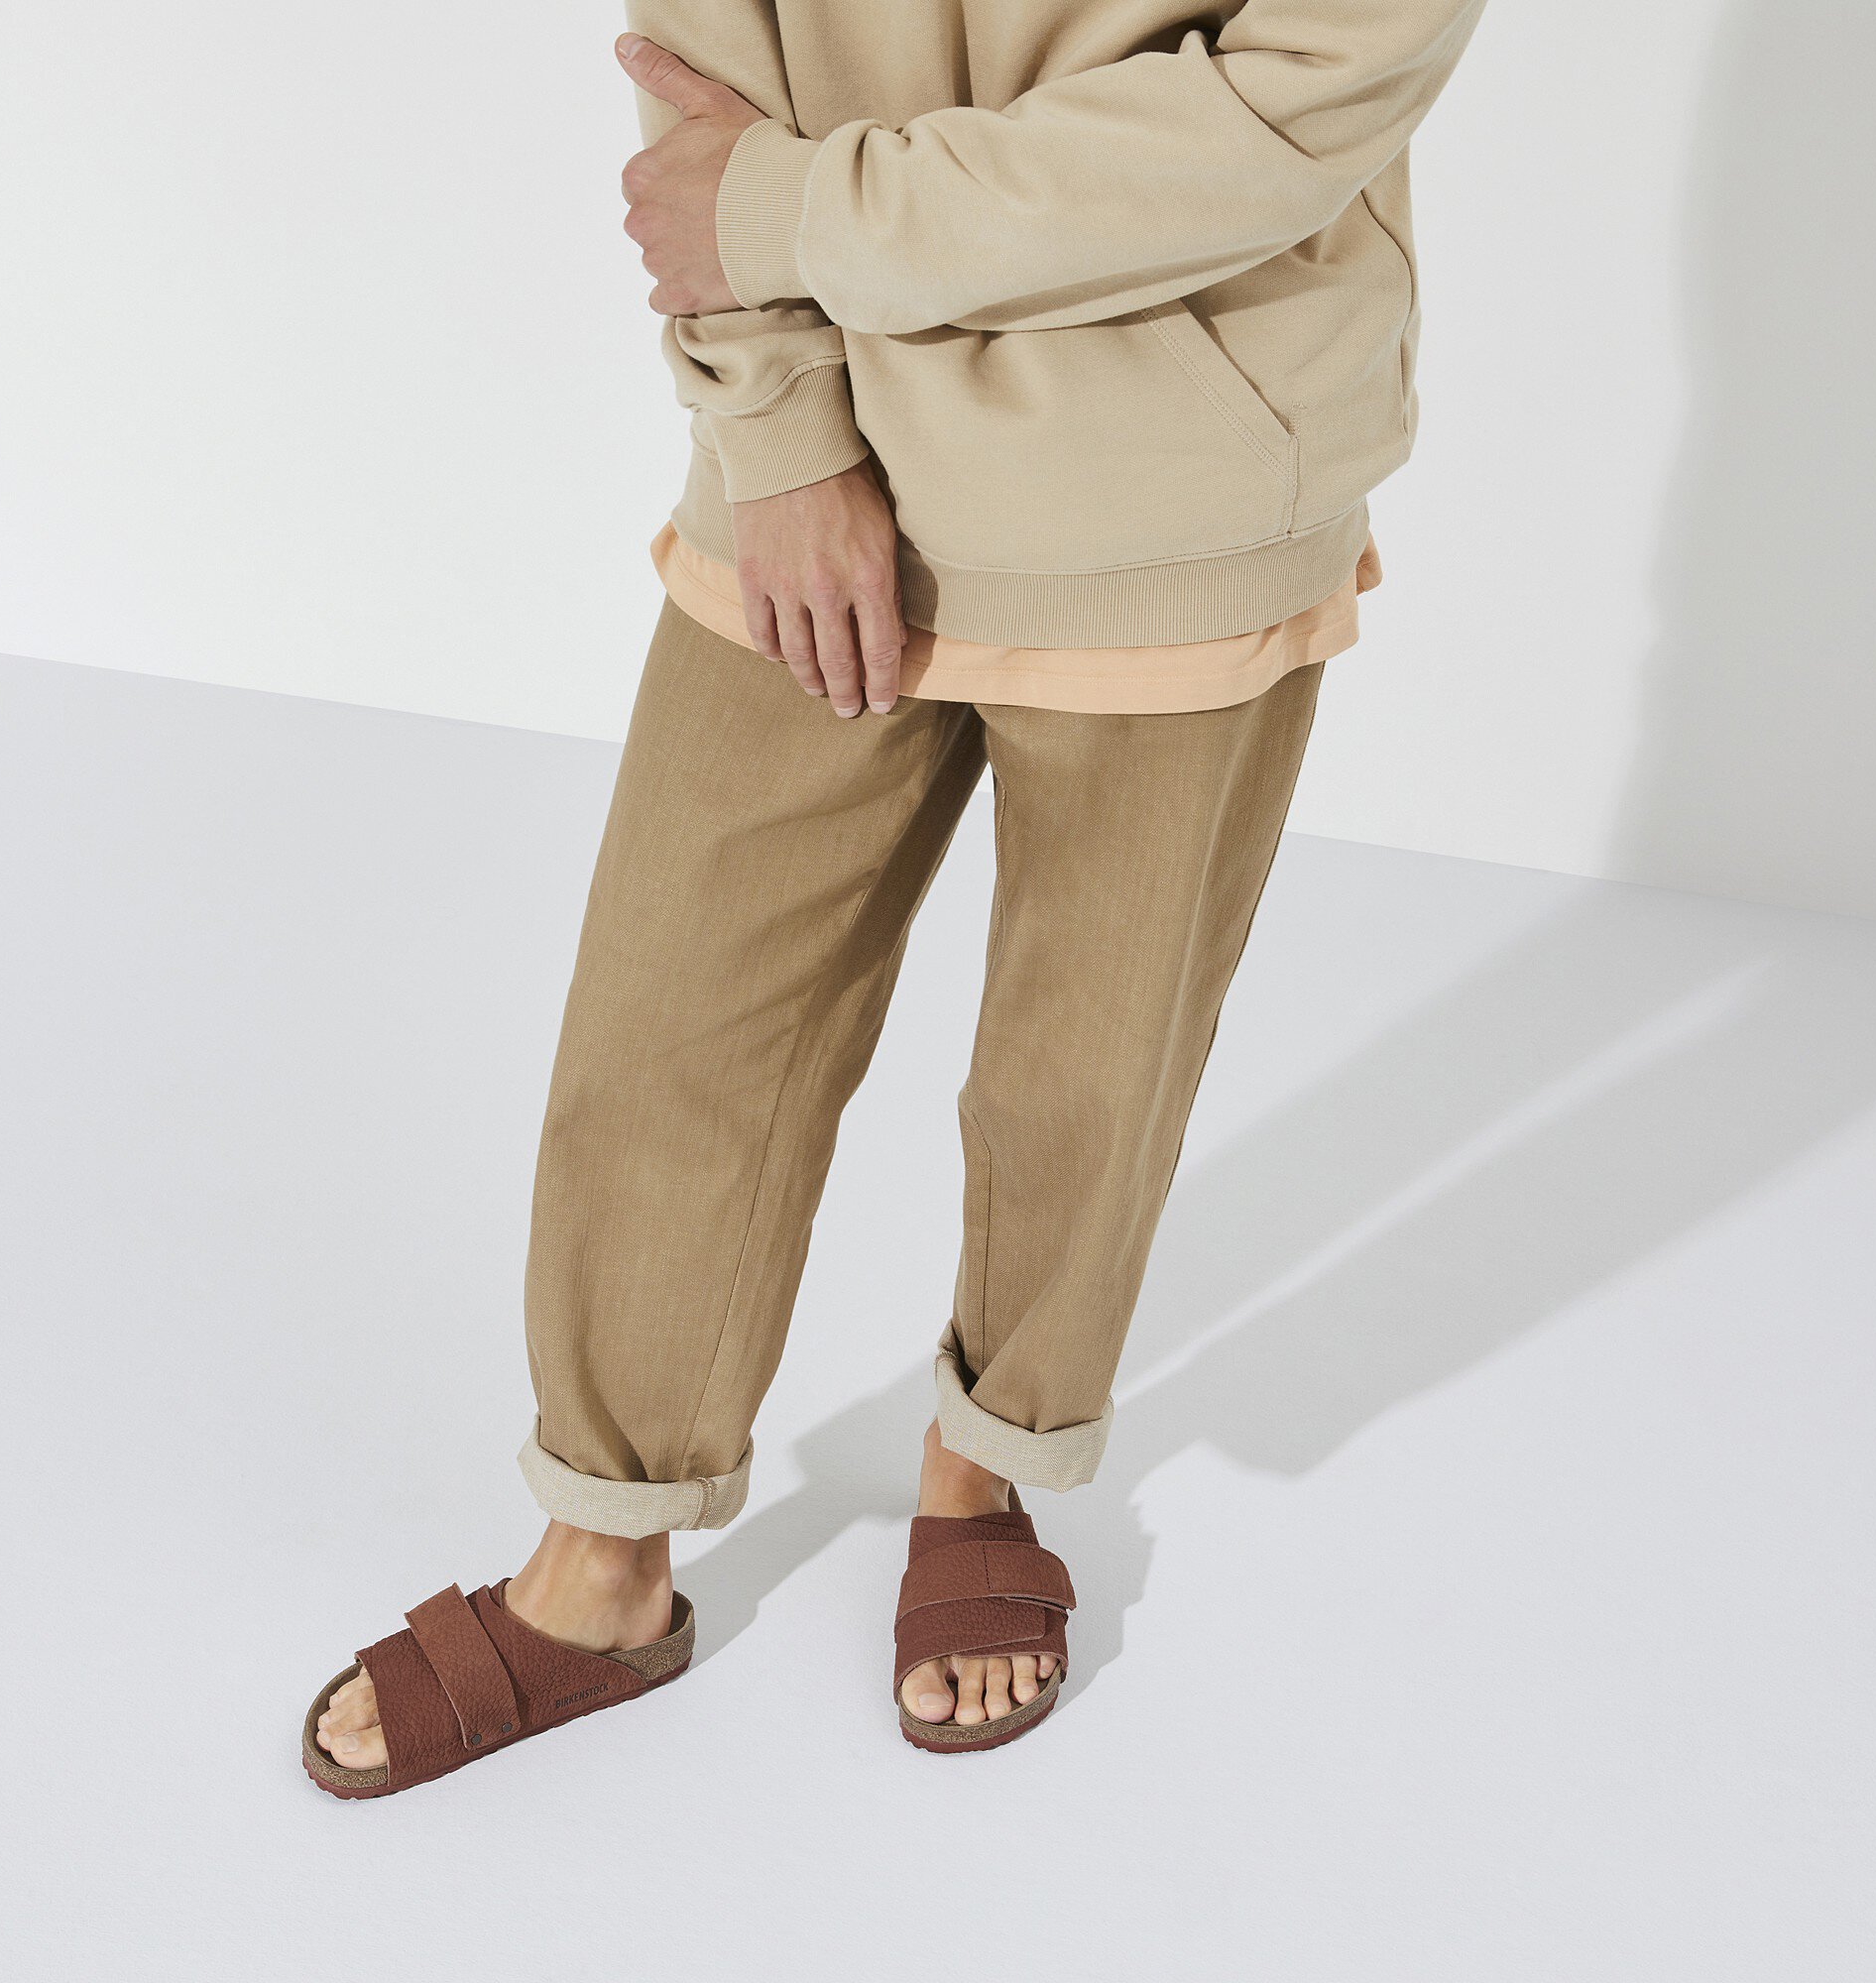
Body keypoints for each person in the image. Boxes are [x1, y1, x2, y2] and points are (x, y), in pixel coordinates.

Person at [301, 0, 1486, 1795]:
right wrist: (779, 442)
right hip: (818, 458)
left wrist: (788, 214)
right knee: (671, 1021)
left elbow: (1295, 108)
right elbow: (703, 67)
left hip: (1185, 483)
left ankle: (985, 1466)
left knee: (1088, 1071)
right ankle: (604, 1542)